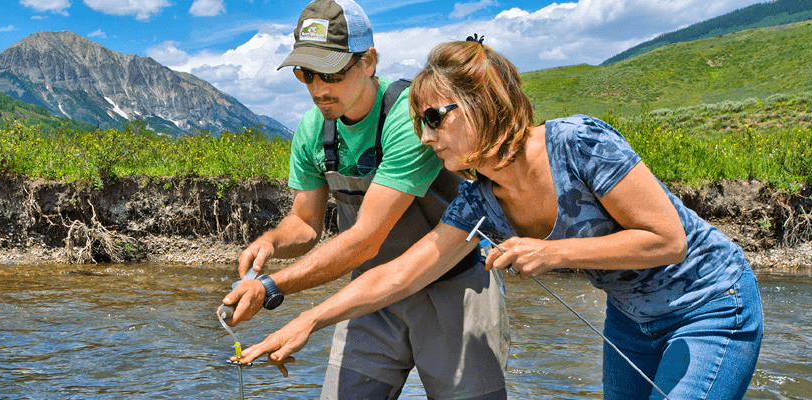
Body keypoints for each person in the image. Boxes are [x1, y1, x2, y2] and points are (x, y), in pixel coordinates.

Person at [238, 36, 765, 399]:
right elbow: (401, 272)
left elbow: (667, 239)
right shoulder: (477, 200)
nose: (424, 136)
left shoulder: (580, 143)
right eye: (418, 122)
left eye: (433, 118)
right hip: (631, 319)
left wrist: (553, 251)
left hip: (711, 304)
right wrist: (305, 318)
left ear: (483, 103)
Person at [219, 1, 509, 399]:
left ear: (369, 61)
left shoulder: (410, 119)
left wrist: (269, 287)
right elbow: (304, 224)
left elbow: (366, 238)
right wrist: (271, 242)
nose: (319, 88)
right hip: (369, 297)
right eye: (306, 73)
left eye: (332, 73)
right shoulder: (309, 131)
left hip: (454, 288)